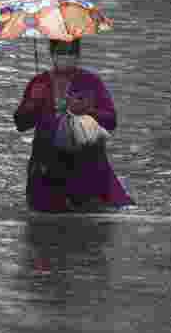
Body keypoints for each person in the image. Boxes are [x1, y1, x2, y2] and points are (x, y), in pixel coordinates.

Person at [13, 38, 134, 212]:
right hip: (46, 162)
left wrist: (85, 110)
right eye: (61, 52)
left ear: (78, 56)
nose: (66, 57)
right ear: (52, 55)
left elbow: (111, 121)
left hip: (86, 162)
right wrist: (33, 103)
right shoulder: (39, 83)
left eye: (71, 53)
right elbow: (21, 124)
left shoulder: (91, 82)